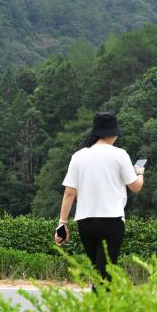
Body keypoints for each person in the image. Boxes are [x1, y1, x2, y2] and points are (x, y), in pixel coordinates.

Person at [54, 111, 144, 284]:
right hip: (112, 221)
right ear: (114, 132)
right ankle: (102, 309)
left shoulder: (78, 156)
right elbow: (135, 187)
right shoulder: (120, 154)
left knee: (99, 272)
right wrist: (139, 173)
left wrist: (62, 224)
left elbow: (69, 192)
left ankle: (102, 308)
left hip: (86, 224)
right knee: (104, 276)